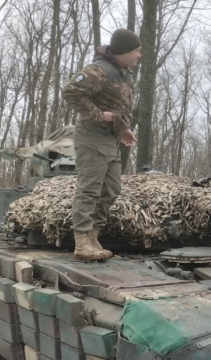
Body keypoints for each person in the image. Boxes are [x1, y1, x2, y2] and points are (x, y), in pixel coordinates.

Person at [62, 29, 141, 261]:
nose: (139, 55)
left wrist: (122, 127)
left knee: (111, 189)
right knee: (90, 189)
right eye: (136, 50)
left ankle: (93, 237)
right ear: (125, 51)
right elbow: (71, 92)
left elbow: (117, 106)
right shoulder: (100, 70)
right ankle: (82, 241)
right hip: (92, 136)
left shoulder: (122, 72)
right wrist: (98, 115)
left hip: (111, 138)